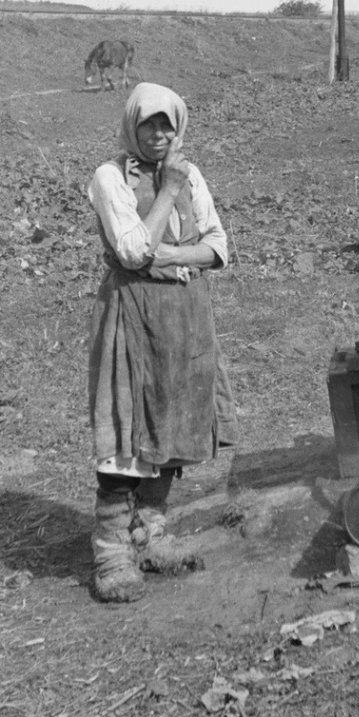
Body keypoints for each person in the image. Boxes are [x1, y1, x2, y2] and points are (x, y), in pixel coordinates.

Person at [86, 81, 237, 601]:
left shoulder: (191, 173)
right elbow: (130, 251)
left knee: (174, 419)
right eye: (149, 123)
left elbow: (218, 247)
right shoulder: (110, 178)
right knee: (127, 427)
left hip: (185, 317)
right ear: (132, 125)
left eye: (168, 124)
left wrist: (168, 257)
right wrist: (168, 190)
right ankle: (110, 553)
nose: (159, 134)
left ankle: (151, 534)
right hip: (133, 314)